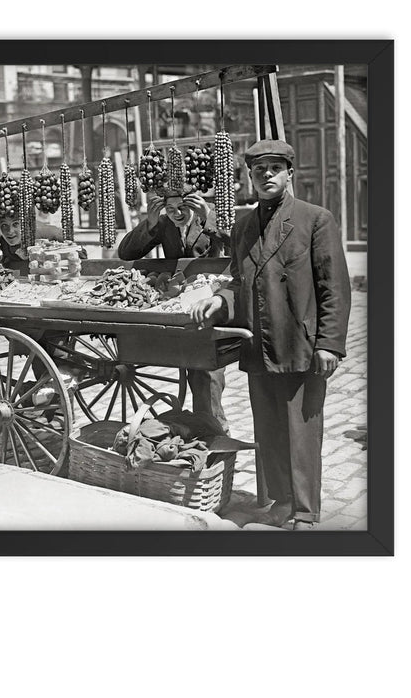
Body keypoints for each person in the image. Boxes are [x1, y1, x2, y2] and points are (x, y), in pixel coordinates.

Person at [189, 139, 351, 530]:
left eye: (274, 168)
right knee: (270, 429)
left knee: (302, 431)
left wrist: (329, 343)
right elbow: (237, 280)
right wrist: (220, 301)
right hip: (257, 345)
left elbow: (335, 288)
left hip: (301, 344)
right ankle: (280, 501)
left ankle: (305, 513)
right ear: (250, 176)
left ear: (289, 173)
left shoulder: (316, 219)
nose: (266, 175)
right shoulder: (243, 226)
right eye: (258, 170)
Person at [117, 186, 231, 433]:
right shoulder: (165, 224)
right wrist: (150, 222)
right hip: (178, 302)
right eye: (170, 209)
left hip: (210, 298)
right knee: (192, 363)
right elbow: (126, 252)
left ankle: (215, 428)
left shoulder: (206, 217)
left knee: (207, 367)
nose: (177, 213)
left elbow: (235, 245)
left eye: (182, 208)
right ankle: (202, 426)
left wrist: (208, 215)